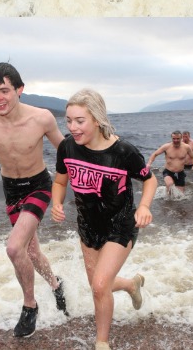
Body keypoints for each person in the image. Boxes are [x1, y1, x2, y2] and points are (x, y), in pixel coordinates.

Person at [0, 62, 68, 337]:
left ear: (20, 90)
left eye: (5, 90)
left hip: (39, 186)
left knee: (13, 248)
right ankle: (57, 285)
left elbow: (67, 152)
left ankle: (29, 306)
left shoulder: (42, 118)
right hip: (11, 189)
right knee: (29, 252)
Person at [51, 89, 154, 350]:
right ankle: (132, 284)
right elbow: (61, 180)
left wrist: (143, 206)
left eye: (80, 121)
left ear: (97, 119)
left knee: (99, 285)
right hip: (88, 226)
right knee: (99, 285)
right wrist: (57, 202)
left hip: (120, 225)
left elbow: (149, 180)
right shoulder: (67, 147)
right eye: (68, 120)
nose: (72, 127)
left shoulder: (123, 152)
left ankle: (102, 343)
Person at [147, 131, 193, 197]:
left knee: (180, 196)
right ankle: (167, 200)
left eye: (177, 139)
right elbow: (155, 154)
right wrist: (149, 163)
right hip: (168, 171)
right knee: (170, 184)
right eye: (174, 138)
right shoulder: (166, 147)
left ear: (181, 138)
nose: (175, 140)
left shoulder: (186, 147)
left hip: (180, 173)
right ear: (172, 138)